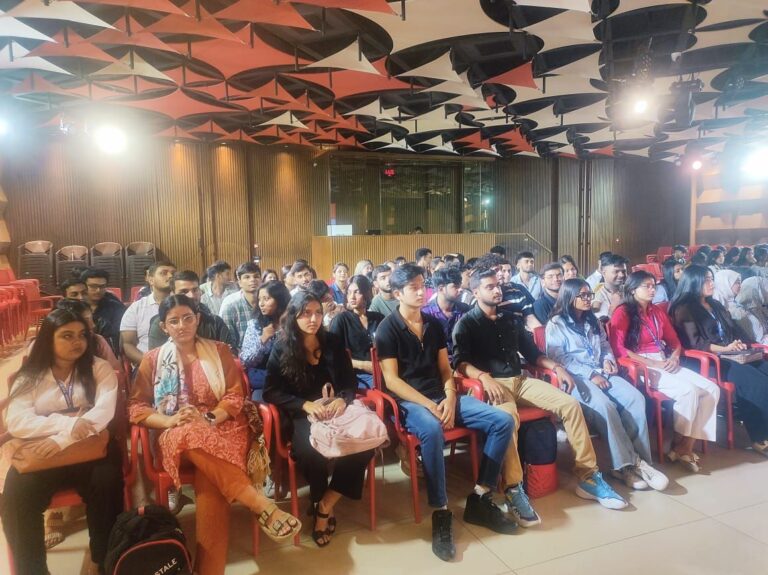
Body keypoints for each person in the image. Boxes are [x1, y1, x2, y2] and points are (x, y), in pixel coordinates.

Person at [129, 295, 301, 574]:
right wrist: (170, 419)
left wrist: (209, 418)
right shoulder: (153, 360)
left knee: (209, 477)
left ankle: (208, 570)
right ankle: (259, 504)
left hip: (223, 426)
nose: (182, 325)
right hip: (174, 431)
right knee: (189, 432)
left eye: (188, 318)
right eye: (174, 321)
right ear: (163, 326)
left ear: (197, 319)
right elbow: (136, 407)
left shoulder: (219, 351)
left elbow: (234, 397)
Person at [453, 268, 628, 516]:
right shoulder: (466, 324)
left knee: (570, 405)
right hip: (491, 385)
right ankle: (514, 487)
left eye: (497, 285)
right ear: (475, 292)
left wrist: (557, 367)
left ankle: (588, 475)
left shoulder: (510, 319)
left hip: (520, 380)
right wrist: (482, 377)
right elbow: (460, 363)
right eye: (489, 287)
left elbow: (533, 354)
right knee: (508, 419)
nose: (497, 290)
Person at [375, 264, 517, 562]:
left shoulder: (433, 324)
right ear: (398, 293)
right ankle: (441, 511)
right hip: (411, 402)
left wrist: (451, 398)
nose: (420, 291)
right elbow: (392, 381)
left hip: (442, 395)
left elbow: (444, 369)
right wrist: (430, 406)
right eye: (412, 287)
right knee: (431, 429)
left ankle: (480, 496)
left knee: (502, 420)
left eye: (422, 285)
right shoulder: (387, 328)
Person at [2, 309, 123, 575]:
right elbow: (17, 420)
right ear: (48, 339)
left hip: (90, 448)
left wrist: (62, 440)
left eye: (81, 335)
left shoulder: (98, 368)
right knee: (17, 496)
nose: (77, 342)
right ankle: (32, 570)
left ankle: (102, 561)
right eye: (67, 336)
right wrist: (68, 425)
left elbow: (103, 413)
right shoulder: (30, 375)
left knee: (107, 483)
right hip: (42, 453)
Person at [264, 292, 376, 547]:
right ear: (293, 316)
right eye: (306, 313)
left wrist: (342, 400)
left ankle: (325, 503)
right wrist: (304, 404)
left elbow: (349, 382)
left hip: (335, 409)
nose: (313, 319)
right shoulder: (282, 346)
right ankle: (319, 500)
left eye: (317, 312)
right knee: (311, 451)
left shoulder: (332, 342)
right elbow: (271, 391)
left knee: (364, 443)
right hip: (303, 413)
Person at [547, 279, 668, 491]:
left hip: (601, 371)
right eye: (583, 295)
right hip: (575, 378)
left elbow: (604, 346)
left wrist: (607, 360)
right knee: (605, 406)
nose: (588, 299)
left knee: (635, 399)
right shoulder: (556, 324)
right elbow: (559, 358)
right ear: (569, 297)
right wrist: (591, 374)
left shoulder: (592, 320)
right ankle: (625, 466)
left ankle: (642, 462)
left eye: (589, 295)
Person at [611, 270, 721, 470]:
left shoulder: (656, 311)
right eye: (647, 286)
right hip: (640, 365)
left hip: (664, 360)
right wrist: (652, 364)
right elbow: (619, 350)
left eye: (654, 286)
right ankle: (679, 444)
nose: (652, 290)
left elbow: (674, 341)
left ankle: (685, 446)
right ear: (633, 289)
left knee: (711, 389)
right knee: (688, 391)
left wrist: (674, 357)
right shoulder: (623, 312)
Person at [148, 271, 236, 351]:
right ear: (172, 294)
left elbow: (230, 354)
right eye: (184, 291)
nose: (191, 296)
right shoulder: (163, 324)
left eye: (195, 290)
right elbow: (157, 359)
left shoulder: (214, 322)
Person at [329, 275, 383, 389]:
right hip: (357, 375)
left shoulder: (378, 318)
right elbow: (334, 357)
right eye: (349, 292)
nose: (352, 297)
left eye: (357, 292)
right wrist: (362, 365)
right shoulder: (341, 320)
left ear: (366, 293)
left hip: (382, 370)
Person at [240, 280, 291, 400]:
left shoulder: (292, 323)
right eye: (259, 299)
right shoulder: (255, 325)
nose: (261, 304)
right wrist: (263, 339)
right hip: (263, 380)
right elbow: (245, 361)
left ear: (280, 300)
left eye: (266, 299)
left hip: (290, 378)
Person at [120, 261, 177, 366]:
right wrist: (150, 364)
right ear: (151, 280)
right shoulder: (136, 308)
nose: (170, 276)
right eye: (164, 273)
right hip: (146, 364)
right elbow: (128, 344)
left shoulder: (184, 305)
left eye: (173, 273)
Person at [421, 267, 471, 362]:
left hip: (463, 360)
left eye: (460, 285)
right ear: (441, 289)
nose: (460, 289)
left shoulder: (465, 310)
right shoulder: (425, 313)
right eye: (455, 286)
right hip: (435, 362)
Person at [56, 299, 121, 371]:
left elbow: (115, 371)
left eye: (92, 319)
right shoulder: (51, 345)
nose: (93, 325)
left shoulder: (98, 341)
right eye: (86, 321)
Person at [714, 270, 768, 345]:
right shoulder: (722, 307)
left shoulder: (736, 305)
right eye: (736, 282)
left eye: (740, 282)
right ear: (725, 283)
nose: (740, 285)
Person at [81, 268, 125, 355]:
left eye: (102, 286)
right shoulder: (75, 306)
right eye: (93, 286)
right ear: (83, 286)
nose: (98, 290)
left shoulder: (116, 307)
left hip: (107, 352)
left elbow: (117, 336)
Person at [220, 262, 261, 352]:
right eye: (247, 277)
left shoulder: (267, 301)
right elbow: (228, 343)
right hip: (240, 356)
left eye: (256, 276)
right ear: (239, 282)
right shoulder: (230, 305)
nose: (253, 280)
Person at [593, 254, 628, 320]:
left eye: (624, 271)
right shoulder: (596, 296)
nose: (621, 275)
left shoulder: (631, 291)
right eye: (616, 271)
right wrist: (613, 306)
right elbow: (599, 323)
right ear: (604, 273)